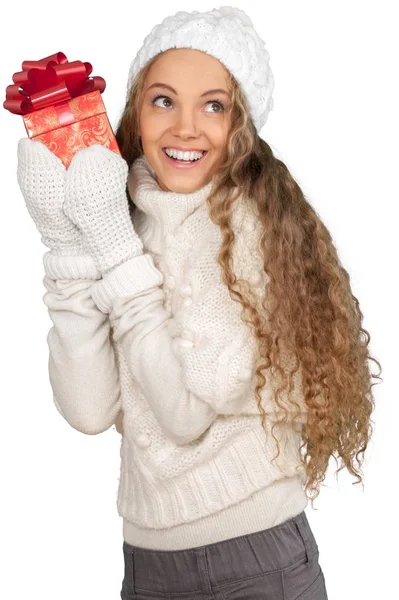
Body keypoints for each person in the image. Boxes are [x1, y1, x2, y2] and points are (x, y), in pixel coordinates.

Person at [16, 6, 381, 600]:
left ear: (242, 124)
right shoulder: (118, 218)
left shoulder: (257, 236)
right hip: (147, 561)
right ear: (135, 111)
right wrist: (68, 247)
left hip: (256, 559)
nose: (186, 127)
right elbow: (88, 410)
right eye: (164, 100)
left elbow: (182, 413)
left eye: (214, 105)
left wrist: (109, 245)